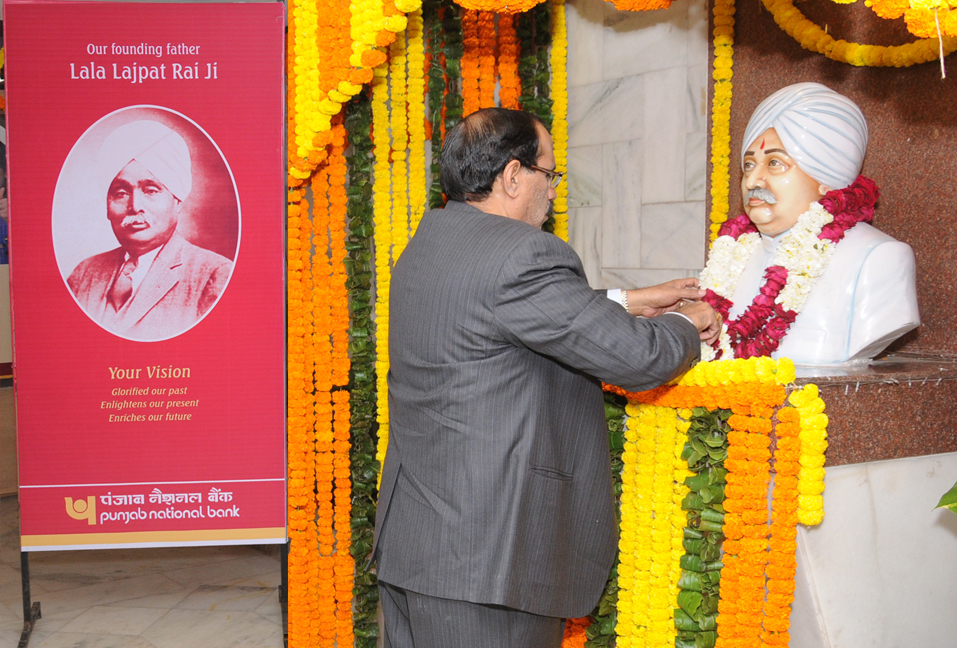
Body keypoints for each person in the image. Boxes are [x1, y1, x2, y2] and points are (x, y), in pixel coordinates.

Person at [372, 108, 719, 648]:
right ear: (513, 177)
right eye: (550, 174)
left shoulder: (431, 243)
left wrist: (626, 301)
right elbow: (636, 359)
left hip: (418, 546)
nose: (554, 191)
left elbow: (497, 310)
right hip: (488, 563)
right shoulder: (523, 254)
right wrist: (685, 324)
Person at [700, 82, 919, 364]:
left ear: (828, 180)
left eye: (775, 163)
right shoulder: (733, 256)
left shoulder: (879, 257)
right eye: (750, 165)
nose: (753, 181)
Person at [67, 120, 232, 341]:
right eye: (121, 192)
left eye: (151, 190)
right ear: (107, 205)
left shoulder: (214, 274)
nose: (135, 206)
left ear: (177, 200)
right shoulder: (84, 273)